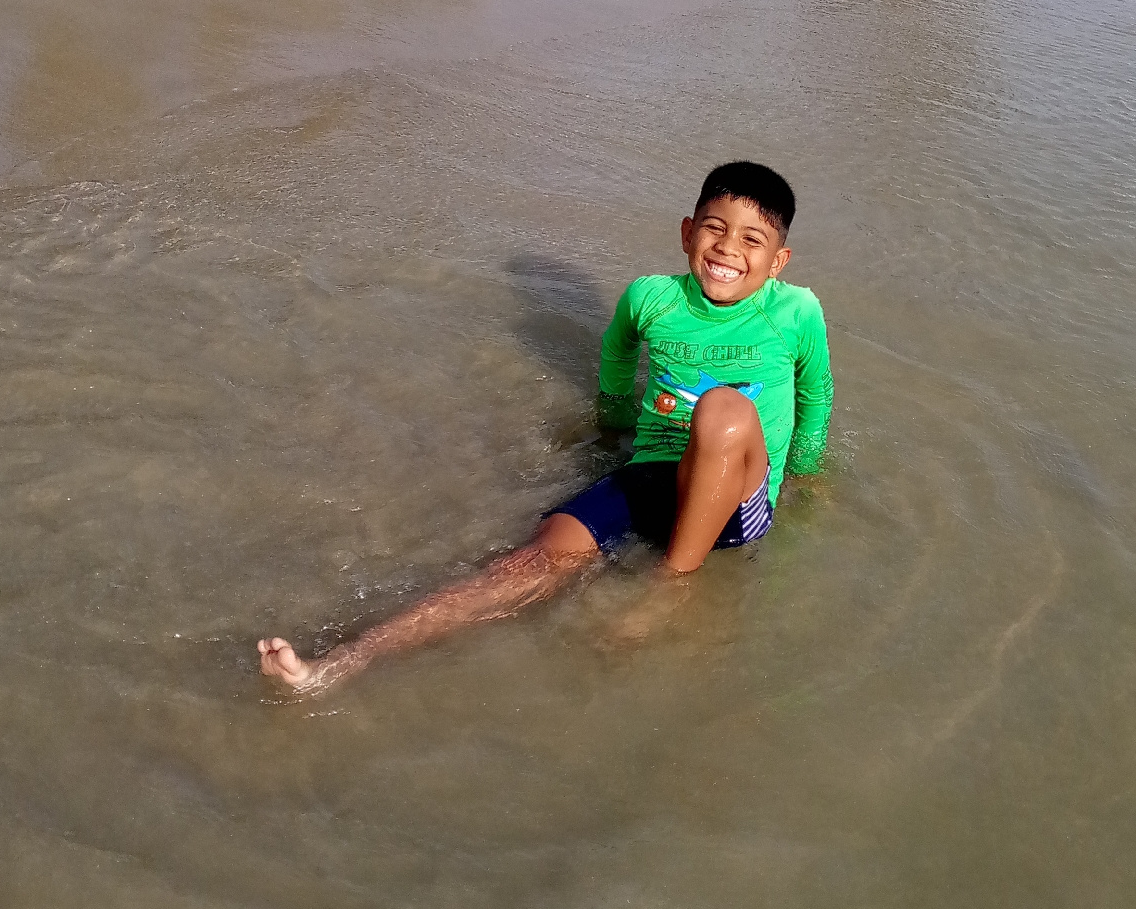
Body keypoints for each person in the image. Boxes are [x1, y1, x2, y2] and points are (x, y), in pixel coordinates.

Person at [257, 161, 834, 694]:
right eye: (715, 228)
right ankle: (341, 662)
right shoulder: (652, 298)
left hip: (734, 494)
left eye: (752, 240)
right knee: (525, 565)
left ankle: (671, 586)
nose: (728, 248)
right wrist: (610, 426)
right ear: (687, 233)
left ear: (778, 261)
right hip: (651, 476)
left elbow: (816, 394)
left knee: (723, 408)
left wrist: (802, 475)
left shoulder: (796, 311)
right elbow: (616, 357)